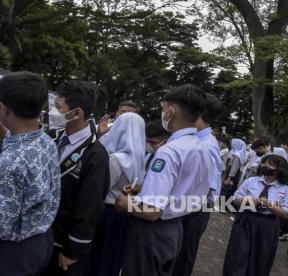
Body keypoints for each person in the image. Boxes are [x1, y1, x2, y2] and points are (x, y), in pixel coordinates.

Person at [0, 72, 61, 276]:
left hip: (13, 257)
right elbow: (18, 145)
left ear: (4, 108)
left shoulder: (7, 164)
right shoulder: (46, 142)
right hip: (41, 242)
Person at [115, 84, 210, 276]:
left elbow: (151, 212)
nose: (162, 113)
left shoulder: (169, 152)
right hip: (175, 228)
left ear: (171, 111)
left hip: (153, 232)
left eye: (162, 108)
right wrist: (144, 188)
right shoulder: (200, 147)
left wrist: (126, 203)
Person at [41, 80, 110, 276]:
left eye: (58, 107)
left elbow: (89, 209)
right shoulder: (51, 136)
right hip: (40, 237)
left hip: (63, 248)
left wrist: (73, 251)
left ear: (77, 113)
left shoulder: (96, 155)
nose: (53, 112)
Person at [173, 93, 223, 276]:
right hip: (191, 208)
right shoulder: (200, 140)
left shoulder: (206, 145)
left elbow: (208, 188)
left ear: (199, 113)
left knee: (183, 255)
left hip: (194, 210)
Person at [90, 113, 146, 276]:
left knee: (99, 257)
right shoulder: (138, 158)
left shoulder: (117, 158)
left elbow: (100, 188)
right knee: (112, 258)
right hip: (122, 214)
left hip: (107, 213)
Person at [222, 155, 288, 276]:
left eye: (270, 164)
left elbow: (287, 213)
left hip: (268, 225)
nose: (265, 166)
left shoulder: (285, 189)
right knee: (237, 256)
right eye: (264, 163)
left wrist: (269, 205)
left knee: (260, 259)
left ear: (279, 169)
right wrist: (248, 201)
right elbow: (234, 199)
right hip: (245, 221)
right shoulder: (251, 181)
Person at [223, 138, 246, 204]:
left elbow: (234, 167)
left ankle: (225, 204)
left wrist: (229, 177)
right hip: (236, 173)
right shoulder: (240, 153)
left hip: (232, 174)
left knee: (228, 189)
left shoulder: (236, 154)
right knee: (231, 188)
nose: (232, 144)